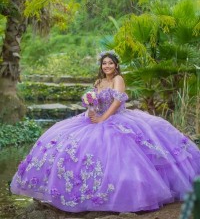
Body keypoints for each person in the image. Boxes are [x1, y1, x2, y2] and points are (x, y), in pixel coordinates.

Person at [11, 50, 200, 213]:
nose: (107, 66)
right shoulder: (98, 81)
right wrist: (91, 111)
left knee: (122, 154)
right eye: (104, 63)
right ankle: (85, 196)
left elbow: (117, 102)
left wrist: (103, 119)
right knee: (68, 146)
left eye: (110, 63)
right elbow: (95, 103)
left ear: (116, 66)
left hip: (117, 118)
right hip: (95, 118)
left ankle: (127, 197)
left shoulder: (118, 79)